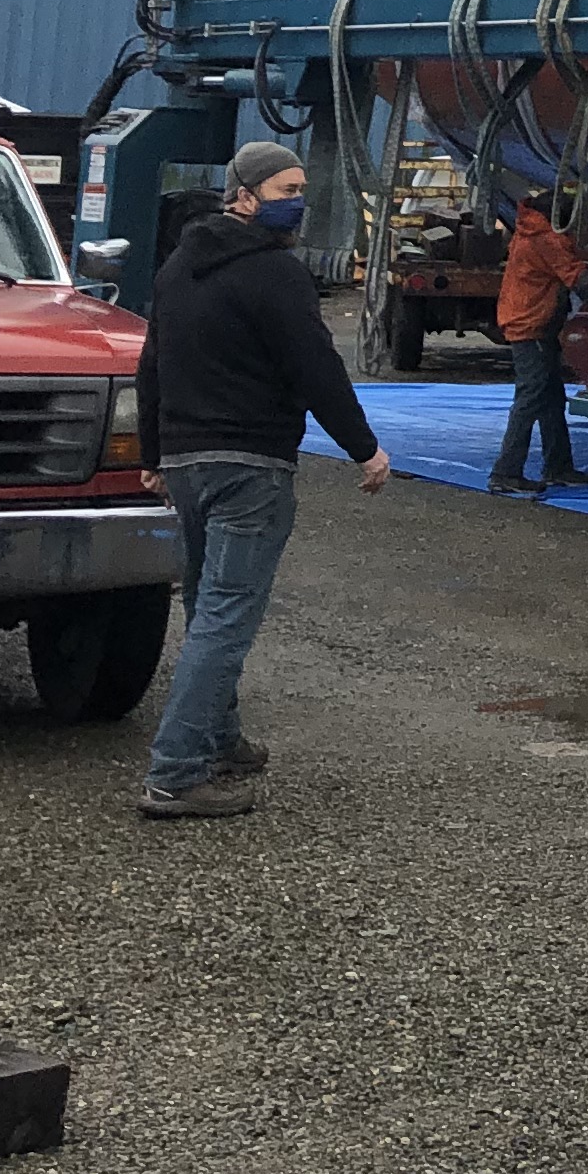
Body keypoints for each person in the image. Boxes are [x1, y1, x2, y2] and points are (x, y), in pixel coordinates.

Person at [131, 138, 392, 819]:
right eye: (285, 191)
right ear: (242, 196)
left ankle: (219, 740)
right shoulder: (277, 275)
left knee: (204, 607)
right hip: (251, 467)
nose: (299, 203)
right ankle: (175, 774)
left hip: (187, 464)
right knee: (225, 617)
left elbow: (151, 365)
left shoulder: (177, 268)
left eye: (302, 190)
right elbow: (317, 369)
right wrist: (364, 448)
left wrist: (154, 456)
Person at [485, 190, 588, 496]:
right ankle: (506, 472)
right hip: (532, 327)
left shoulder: (529, 230)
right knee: (531, 398)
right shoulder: (547, 239)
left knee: (549, 398)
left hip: (529, 324)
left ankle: (557, 466)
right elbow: (577, 278)